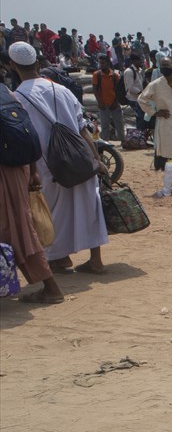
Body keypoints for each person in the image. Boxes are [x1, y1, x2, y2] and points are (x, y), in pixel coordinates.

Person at [9, 42, 109, 275]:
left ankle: (59, 258)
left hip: (46, 163)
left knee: (51, 211)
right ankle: (96, 260)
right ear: (37, 63)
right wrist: (97, 159)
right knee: (88, 205)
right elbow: (83, 129)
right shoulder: (61, 90)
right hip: (79, 156)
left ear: (12, 66)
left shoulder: (18, 97)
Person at [0, 84, 64, 303]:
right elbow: (27, 129)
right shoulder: (5, 91)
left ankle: (51, 287)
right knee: (18, 226)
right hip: (19, 167)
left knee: (17, 229)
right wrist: (33, 171)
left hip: (5, 170)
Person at [91, 55, 124, 142]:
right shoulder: (96, 75)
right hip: (103, 104)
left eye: (103, 63)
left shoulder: (114, 75)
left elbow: (118, 90)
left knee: (119, 123)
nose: (101, 65)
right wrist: (100, 102)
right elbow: (95, 90)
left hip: (114, 103)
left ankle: (123, 141)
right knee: (104, 124)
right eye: (100, 63)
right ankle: (105, 142)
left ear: (108, 63)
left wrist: (115, 102)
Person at [122, 53, 147, 131]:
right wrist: (141, 93)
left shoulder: (139, 71)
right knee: (139, 119)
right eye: (140, 61)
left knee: (142, 119)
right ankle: (138, 137)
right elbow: (130, 87)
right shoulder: (129, 71)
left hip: (140, 99)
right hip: (133, 99)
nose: (141, 63)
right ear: (134, 61)